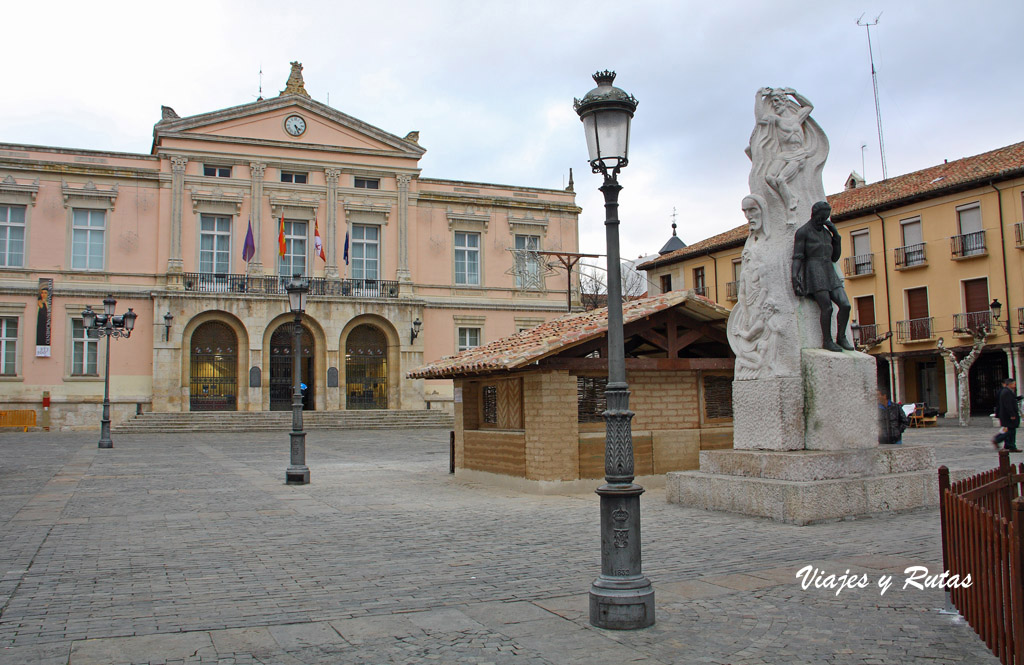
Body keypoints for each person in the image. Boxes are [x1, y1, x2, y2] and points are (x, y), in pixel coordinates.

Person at [792, 201, 853, 352]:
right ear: (814, 215)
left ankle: (841, 337)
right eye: (820, 217)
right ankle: (827, 341)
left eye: (825, 217)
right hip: (814, 270)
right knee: (827, 307)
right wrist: (795, 276)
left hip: (828, 270)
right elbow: (798, 256)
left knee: (845, 305)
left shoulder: (826, 233)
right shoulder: (803, 232)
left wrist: (836, 236)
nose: (822, 220)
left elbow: (835, 257)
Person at [992, 377, 1021, 452]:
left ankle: (1010, 446)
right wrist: (1012, 414)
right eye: (1014, 384)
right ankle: (998, 439)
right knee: (1010, 431)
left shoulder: (1008, 391)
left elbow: (1013, 400)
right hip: (1007, 415)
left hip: (1007, 415)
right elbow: (1008, 405)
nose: (1015, 385)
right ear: (1010, 384)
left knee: (1011, 430)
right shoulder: (1006, 392)